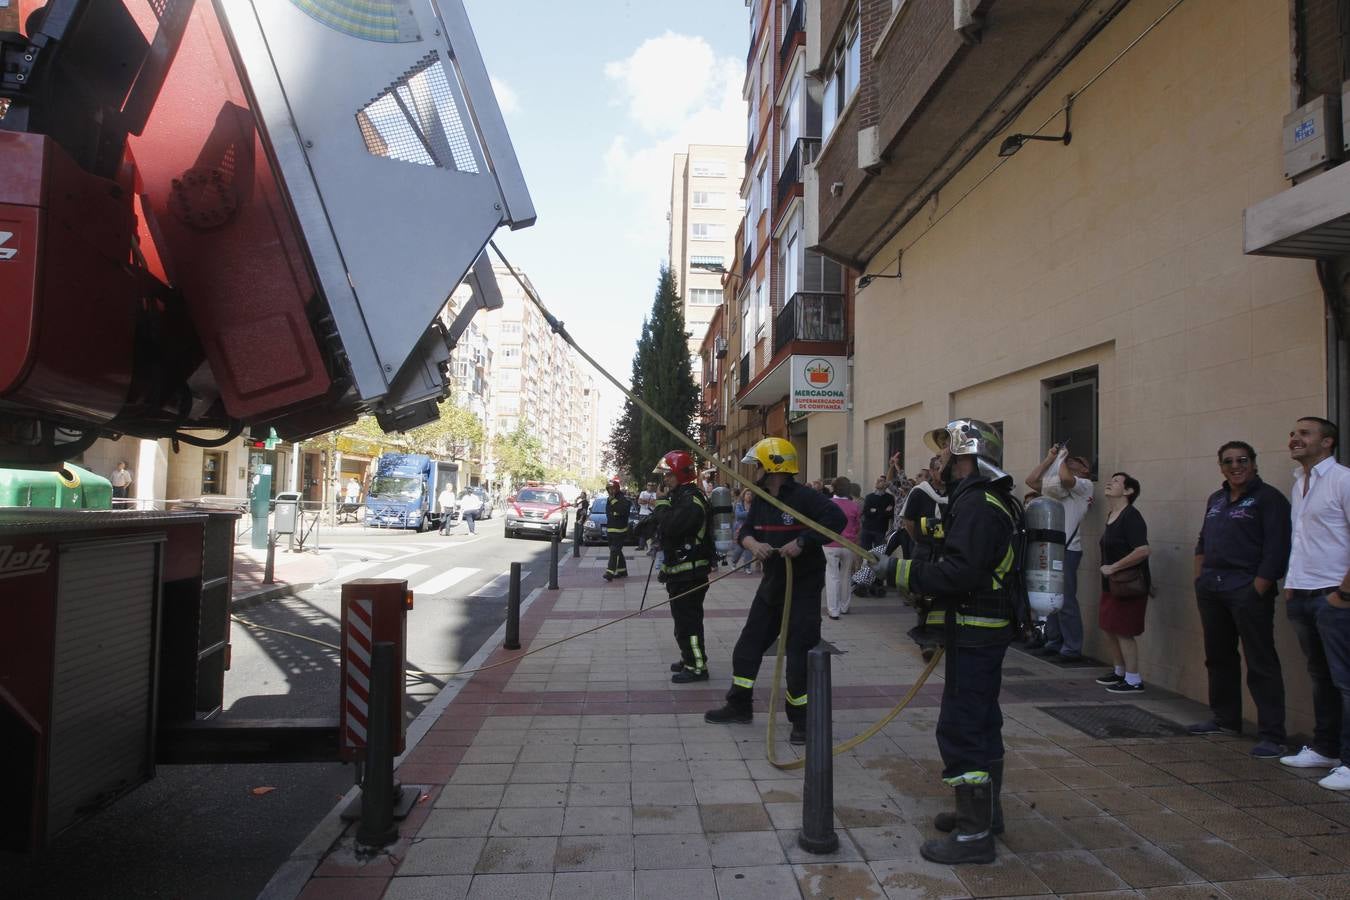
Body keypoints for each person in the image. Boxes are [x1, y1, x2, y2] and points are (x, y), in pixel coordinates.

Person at [877, 419, 1020, 865]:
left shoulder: (978, 504)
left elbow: (961, 573)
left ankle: (974, 835)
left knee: (962, 727)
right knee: (983, 721)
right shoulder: (984, 500)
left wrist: (897, 571)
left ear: (965, 459)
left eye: (944, 454)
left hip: (975, 629)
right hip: (981, 629)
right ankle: (985, 814)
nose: (937, 463)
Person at [704, 437, 845, 745]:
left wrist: (803, 542)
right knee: (748, 645)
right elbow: (746, 530)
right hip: (772, 585)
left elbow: (837, 519)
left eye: (757, 465)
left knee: (798, 656)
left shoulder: (806, 497)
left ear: (772, 467)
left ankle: (802, 721)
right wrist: (753, 544)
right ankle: (739, 704)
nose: (754, 471)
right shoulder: (762, 499)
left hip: (803, 586)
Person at [1189, 441, 1291, 759]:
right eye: (1228, 461)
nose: (1236, 466)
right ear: (1221, 467)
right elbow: (1202, 542)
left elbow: (1277, 549)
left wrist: (1257, 588)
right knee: (1218, 657)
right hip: (1212, 589)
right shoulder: (1216, 499)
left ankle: (1272, 735)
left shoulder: (1269, 499)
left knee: (1261, 662)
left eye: (1242, 460)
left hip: (1247, 591)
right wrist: (1200, 579)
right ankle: (1226, 720)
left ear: (1254, 463)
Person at [1281, 416, 1350, 789]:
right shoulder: (1299, 484)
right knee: (1320, 677)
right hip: (1303, 595)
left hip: (1334, 597)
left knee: (1345, 680)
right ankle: (1326, 749)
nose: (1295, 438)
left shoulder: (1343, 480)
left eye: (1304, 433)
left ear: (1328, 442)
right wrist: (1292, 585)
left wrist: (1343, 594)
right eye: (1293, 433)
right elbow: (1303, 540)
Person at [637, 450, 715, 683]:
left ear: (681, 474)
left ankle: (697, 667)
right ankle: (688, 657)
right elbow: (660, 525)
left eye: (669, 475)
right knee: (682, 622)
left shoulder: (692, 501)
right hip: (680, 572)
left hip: (690, 573)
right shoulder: (679, 498)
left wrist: (660, 504)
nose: (665, 480)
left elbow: (671, 526)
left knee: (689, 624)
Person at [1024, 445, 1094, 662]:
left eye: (1077, 461)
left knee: (1067, 599)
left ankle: (1072, 648)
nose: (1071, 461)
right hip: (1051, 548)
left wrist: (1062, 457)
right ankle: (1053, 641)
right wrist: (1050, 459)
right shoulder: (1057, 489)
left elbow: (1066, 478)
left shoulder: (1085, 486)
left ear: (1085, 470)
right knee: (1050, 596)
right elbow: (1031, 480)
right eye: (1070, 459)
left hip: (1069, 550)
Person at [1095, 472, 1151, 693]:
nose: (1110, 483)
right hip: (1111, 585)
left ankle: (1133, 679)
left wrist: (1114, 567)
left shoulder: (1131, 516)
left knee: (1123, 631)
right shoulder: (1112, 515)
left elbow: (1143, 550)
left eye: (1116, 481)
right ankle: (1119, 671)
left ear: (1128, 491)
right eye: (1110, 480)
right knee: (1109, 628)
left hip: (1128, 585)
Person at [898, 455, 947, 657]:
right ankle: (927, 641)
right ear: (932, 471)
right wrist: (920, 540)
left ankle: (942, 635)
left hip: (948, 551)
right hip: (926, 550)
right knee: (924, 596)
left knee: (944, 595)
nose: (943, 472)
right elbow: (908, 521)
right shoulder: (920, 492)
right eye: (939, 469)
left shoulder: (956, 491)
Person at [823, 476, 861, 619]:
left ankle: (833, 610)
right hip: (848, 544)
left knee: (832, 576)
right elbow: (858, 526)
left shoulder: (827, 503)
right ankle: (844, 606)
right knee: (846, 575)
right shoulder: (854, 505)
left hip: (830, 543)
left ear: (833, 488)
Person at [602, 477, 632, 581]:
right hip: (611, 529)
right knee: (616, 551)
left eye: (613, 488)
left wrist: (613, 501)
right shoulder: (609, 499)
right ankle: (622, 571)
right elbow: (609, 512)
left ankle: (610, 572)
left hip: (620, 531)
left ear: (617, 488)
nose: (611, 491)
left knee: (614, 551)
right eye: (609, 489)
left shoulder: (622, 499)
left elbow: (621, 510)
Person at [860, 475, 896, 553]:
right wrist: (883, 511)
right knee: (864, 552)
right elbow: (866, 512)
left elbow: (890, 514)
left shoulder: (889, 498)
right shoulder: (869, 497)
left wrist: (875, 510)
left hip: (880, 530)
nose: (877, 482)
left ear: (886, 484)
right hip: (867, 528)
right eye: (877, 480)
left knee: (879, 553)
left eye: (881, 480)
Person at [726, 488, 754, 573]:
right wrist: (750, 513)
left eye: (750, 494)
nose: (749, 496)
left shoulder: (754, 505)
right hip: (739, 529)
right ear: (744, 495)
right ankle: (734, 562)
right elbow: (738, 515)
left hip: (750, 528)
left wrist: (747, 513)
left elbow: (756, 515)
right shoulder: (739, 505)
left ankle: (747, 567)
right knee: (740, 548)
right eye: (747, 494)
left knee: (749, 548)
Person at [636, 481, 657, 550]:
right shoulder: (643, 493)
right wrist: (650, 501)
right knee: (642, 530)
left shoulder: (655, 494)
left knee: (652, 530)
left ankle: (652, 546)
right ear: (646, 486)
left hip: (651, 514)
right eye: (649, 485)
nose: (650, 486)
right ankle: (641, 545)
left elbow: (655, 503)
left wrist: (645, 500)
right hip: (643, 514)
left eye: (652, 485)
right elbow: (639, 501)